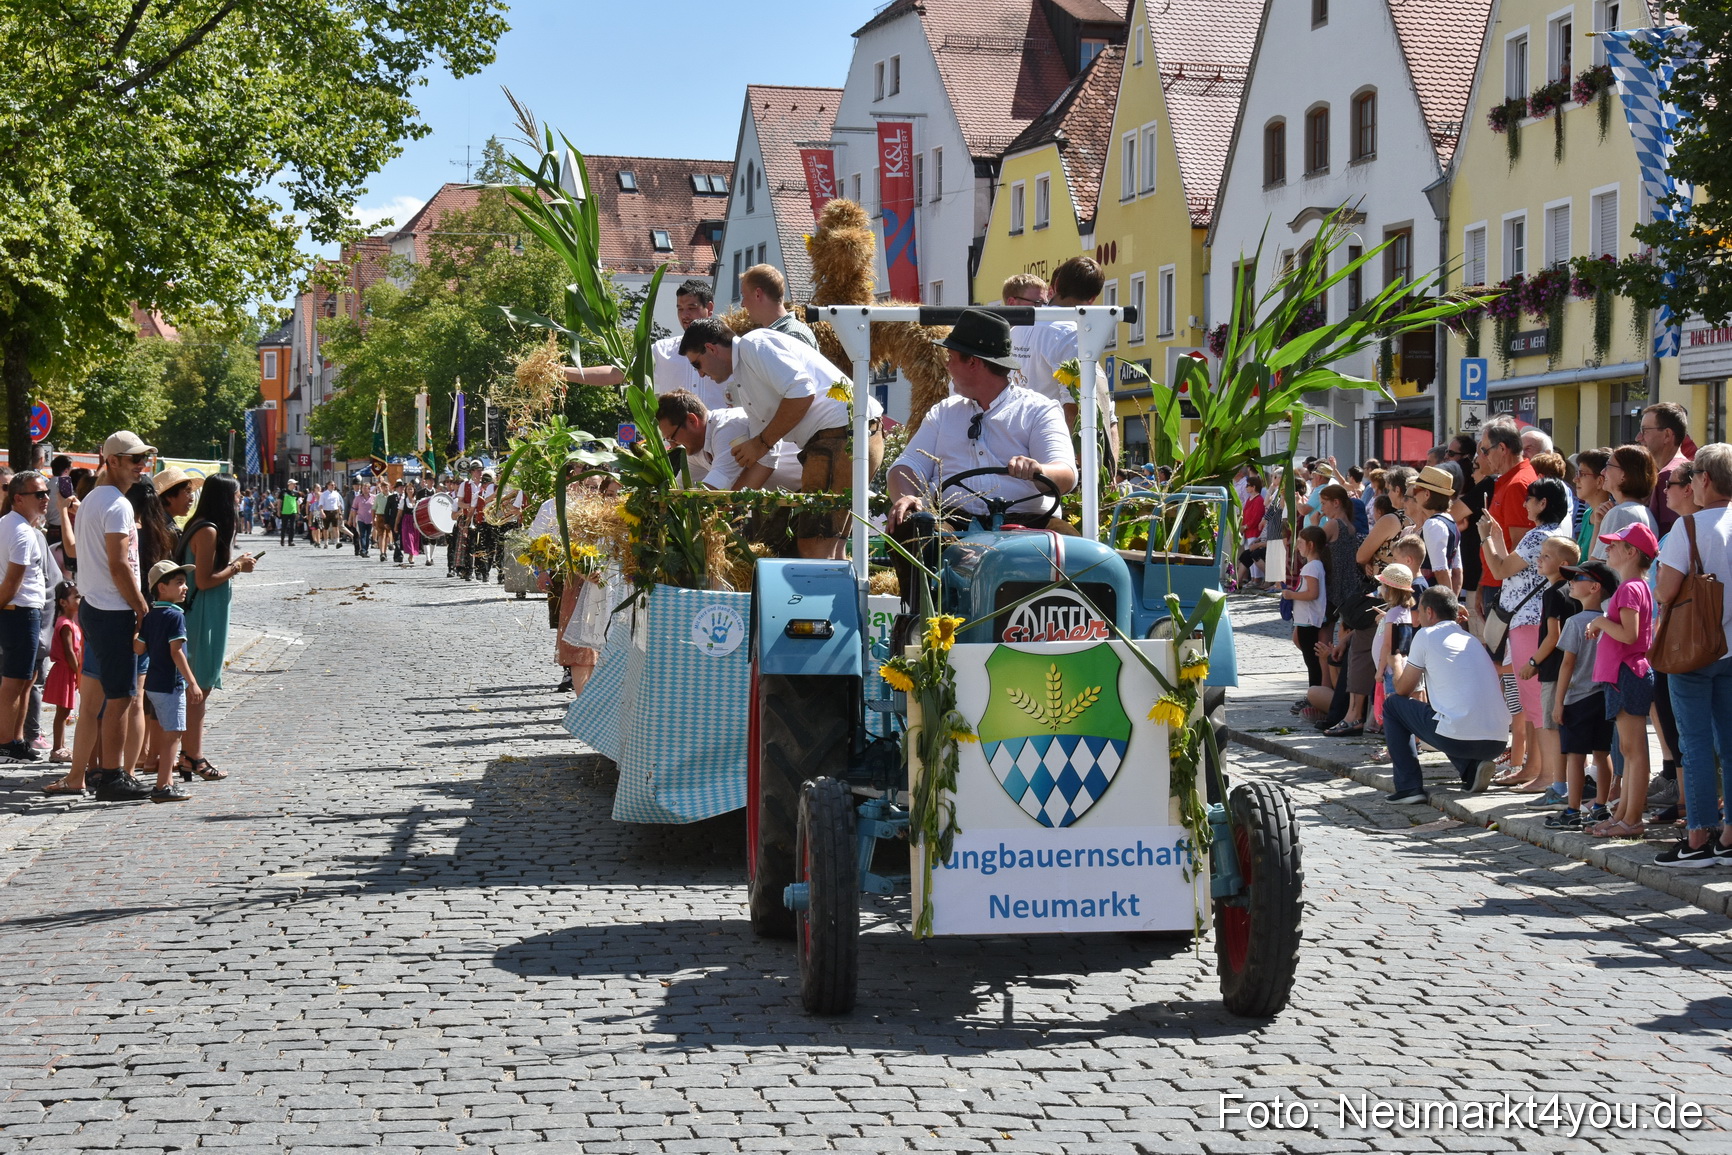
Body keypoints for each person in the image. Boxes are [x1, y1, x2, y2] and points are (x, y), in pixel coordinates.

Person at [681, 317, 884, 559]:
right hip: (843, 435)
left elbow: (802, 393)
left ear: (711, 349)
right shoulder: (744, 379)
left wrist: (760, 442)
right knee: (830, 549)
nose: (700, 374)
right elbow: (766, 458)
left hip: (842, 435)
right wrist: (729, 504)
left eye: (697, 364)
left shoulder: (753, 344)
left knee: (815, 548)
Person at [884, 308, 1076, 540]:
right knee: (912, 529)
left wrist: (1038, 470)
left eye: (951, 358)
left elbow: (1066, 474)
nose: (947, 366)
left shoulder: (1039, 409)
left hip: (1029, 522)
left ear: (973, 362)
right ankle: (931, 576)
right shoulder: (943, 412)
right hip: (953, 522)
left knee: (1072, 546)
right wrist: (907, 497)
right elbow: (908, 465)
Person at [1652, 442, 1732, 866]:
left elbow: (1665, 591)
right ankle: (1730, 835)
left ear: (1703, 479)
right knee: (1731, 743)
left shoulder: (1689, 528)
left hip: (1696, 648)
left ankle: (1699, 836)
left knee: (1696, 743)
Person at [65, 432, 155, 801]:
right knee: (120, 697)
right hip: (113, 609)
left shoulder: (92, 500)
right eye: (133, 459)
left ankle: (108, 772)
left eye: (143, 459)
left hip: (96, 606)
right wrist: (141, 606)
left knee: (108, 694)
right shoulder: (115, 504)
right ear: (111, 460)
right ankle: (112, 776)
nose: (140, 466)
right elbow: (120, 565)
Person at [1384, 586, 1512, 803]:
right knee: (1448, 713)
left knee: (1393, 705)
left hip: (1459, 738)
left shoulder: (1426, 635)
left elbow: (1402, 689)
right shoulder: (1470, 639)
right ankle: (1471, 770)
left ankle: (1409, 788)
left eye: (1421, 612)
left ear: (1430, 612)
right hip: (1497, 741)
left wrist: (1396, 664)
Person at [1479, 477, 1571, 781]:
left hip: (1528, 624)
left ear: (1543, 503)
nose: (1524, 503)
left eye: (1529, 498)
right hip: (1533, 622)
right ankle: (1533, 769)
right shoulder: (1550, 534)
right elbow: (1513, 567)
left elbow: (1500, 569)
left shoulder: (1538, 537)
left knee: (1534, 702)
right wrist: (1495, 536)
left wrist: (1485, 539)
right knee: (1532, 703)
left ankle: (1546, 775)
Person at [177, 475, 254, 783]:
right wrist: (236, 567)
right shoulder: (208, 530)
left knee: (199, 687)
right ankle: (192, 756)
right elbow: (205, 579)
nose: (239, 502)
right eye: (235, 497)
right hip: (203, 614)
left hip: (206, 611)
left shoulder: (203, 525)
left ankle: (188, 755)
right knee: (199, 687)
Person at [1585, 523, 1659, 838]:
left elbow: (1629, 635)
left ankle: (1631, 819)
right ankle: (1623, 816)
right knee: (1629, 750)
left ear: (1631, 552)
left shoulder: (1630, 588)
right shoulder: (1636, 586)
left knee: (1633, 750)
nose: (1608, 549)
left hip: (1627, 673)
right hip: (1626, 674)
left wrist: (1600, 620)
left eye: (1615, 545)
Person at [563, 278, 729, 410]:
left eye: (691, 308)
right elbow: (619, 373)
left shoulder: (732, 349)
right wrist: (562, 373)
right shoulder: (663, 351)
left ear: (709, 308)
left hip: (725, 445)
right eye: (680, 308)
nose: (685, 315)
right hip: (677, 448)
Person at [1020, 256, 1113, 457]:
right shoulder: (1072, 335)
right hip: (1050, 452)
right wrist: (1080, 466)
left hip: (1013, 447)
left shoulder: (1020, 327)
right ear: (1093, 298)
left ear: (1056, 285)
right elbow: (1073, 408)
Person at [1513, 536, 1582, 803]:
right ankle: (1568, 783)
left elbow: (1554, 635)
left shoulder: (1554, 592)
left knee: (1552, 728)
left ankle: (1558, 786)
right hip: (1574, 667)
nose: (1539, 560)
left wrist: (1533, 662)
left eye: (1546, 557)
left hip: (1554, 669)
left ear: (1563, 564)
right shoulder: (1574, 589)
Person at [1549, 561, 1617, 831]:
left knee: (1575, 755)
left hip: (1577, 698)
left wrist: (1558, 701)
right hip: (1604, 695)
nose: (1571, 583)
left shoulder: (1574, 623)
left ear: (1594, 587)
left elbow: (1567, 664)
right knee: (1603, 753)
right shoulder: (1610, 622)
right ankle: (1601, 806)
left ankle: (1573, 810)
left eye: (1577, 579)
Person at [0, 472, 54, 763]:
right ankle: (6, 742)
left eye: (46, 492)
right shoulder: (21, 531)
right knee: (15, 680)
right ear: (18, 498)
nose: (46, 498)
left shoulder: (12, 525)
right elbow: (12, 584)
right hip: (20, 611)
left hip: (21, 610)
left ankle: (15, 739)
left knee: (25, 679)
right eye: (39, 494)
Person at [655, 390, 803, 491]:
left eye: (673, 437)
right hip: (791, 498)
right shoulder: (696, 450)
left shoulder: (728, 426)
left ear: (692, 420)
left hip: (814, 488)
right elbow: (681, 489)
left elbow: (717, 488)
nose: (672, 444)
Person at [138, 560, 199, 803]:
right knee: (173, 733)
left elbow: (138, 648)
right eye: (179, 583)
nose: (185, 587)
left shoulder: (152, 615)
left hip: (152, 682)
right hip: (171, 683)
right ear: (161, 588)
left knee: (166, 729)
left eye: (184, 582)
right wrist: (192, 682)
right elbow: (177, 652)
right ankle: (163, 785)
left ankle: (167, 781)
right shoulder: (175, 616)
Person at [1282, 525, 1329, 699]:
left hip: (1308, 619)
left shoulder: (1311, 567)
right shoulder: (1315, 565)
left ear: (1310, 545)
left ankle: (1314, 693)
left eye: (1300, 542)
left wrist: (1290, 595)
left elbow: (1312, 593)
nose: (1297, 546)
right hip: (1307, 619)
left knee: (1311, 661)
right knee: (1310, 656)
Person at [1590, 444, 1656, 560]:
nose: (1602, 472)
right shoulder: (1646, 512)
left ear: (1624, 474)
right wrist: (1599, 522)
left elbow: (1595, 567)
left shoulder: (1619, 513)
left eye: (1608, 466)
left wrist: (1600, 523)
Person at [1406, 466, 1462, 593]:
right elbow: (1457, 570)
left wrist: (1448, 604)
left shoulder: (1433, 524)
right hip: (1438, 598)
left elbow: (1441, 571)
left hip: (1430, 598)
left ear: (1427, 494)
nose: (1414, 496)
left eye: (1416, 490)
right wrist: (1453, 600)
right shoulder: (1450, 521)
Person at [1640, 401, 1691, 535]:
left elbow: (1668, 535)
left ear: (1667, 435)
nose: (1639, 437)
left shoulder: (1669, 475)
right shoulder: (1679, 470)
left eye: (1645, 431)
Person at [43, 581, 79, 764]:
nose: (80, 600)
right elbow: (69, 652)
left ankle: (61, 746)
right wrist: (78, 672)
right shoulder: (65, 624)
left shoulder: (70, 623)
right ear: (63, 602)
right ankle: (57, 748)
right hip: (64, 672)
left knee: (65, 712)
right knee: (62, 713)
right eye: (77, 597)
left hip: (67, 672)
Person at [740, 264, 817, 349]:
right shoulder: (782, 334)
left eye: (744, 296)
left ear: (758, 294)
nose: (742, 304)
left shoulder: (792, 335)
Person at [1001, 272, 1048, 390]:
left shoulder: (1043, 336)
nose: (1043, 309)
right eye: (1038, 303)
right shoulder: (990, 339)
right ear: (1012, 302)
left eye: (1045, 303)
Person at [1572, 448, 1611, 561]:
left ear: (1600, 481)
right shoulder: (1588, 513)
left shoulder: (1609, 516)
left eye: (1582, 474)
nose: (1575, 479)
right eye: (1576, 473)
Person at [349, 480, 373, 557]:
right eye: (363, 488)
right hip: (360, 518)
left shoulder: (374, 497)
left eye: (366, 488)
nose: (364, 489)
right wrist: (353, 520)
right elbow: (354, 509)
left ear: (369, 489)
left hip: (370, 519)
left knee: (368, 535)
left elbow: (375, 508)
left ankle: (366, 550)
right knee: (362, 534)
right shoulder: (358, 498)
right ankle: (363, 550)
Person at [278, 480, 300, 547]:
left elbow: (297, 503)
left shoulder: (296, 493)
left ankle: (291, 541)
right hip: (285, 511)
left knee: (292, 527)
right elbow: (279, 501)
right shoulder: (283, 492)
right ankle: (282, 540)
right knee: (284, 527)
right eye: (294, 484)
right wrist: (278, 510)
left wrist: (298, 512)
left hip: (293, 511)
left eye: (295, 484)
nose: (295, 485)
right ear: (289, 484)